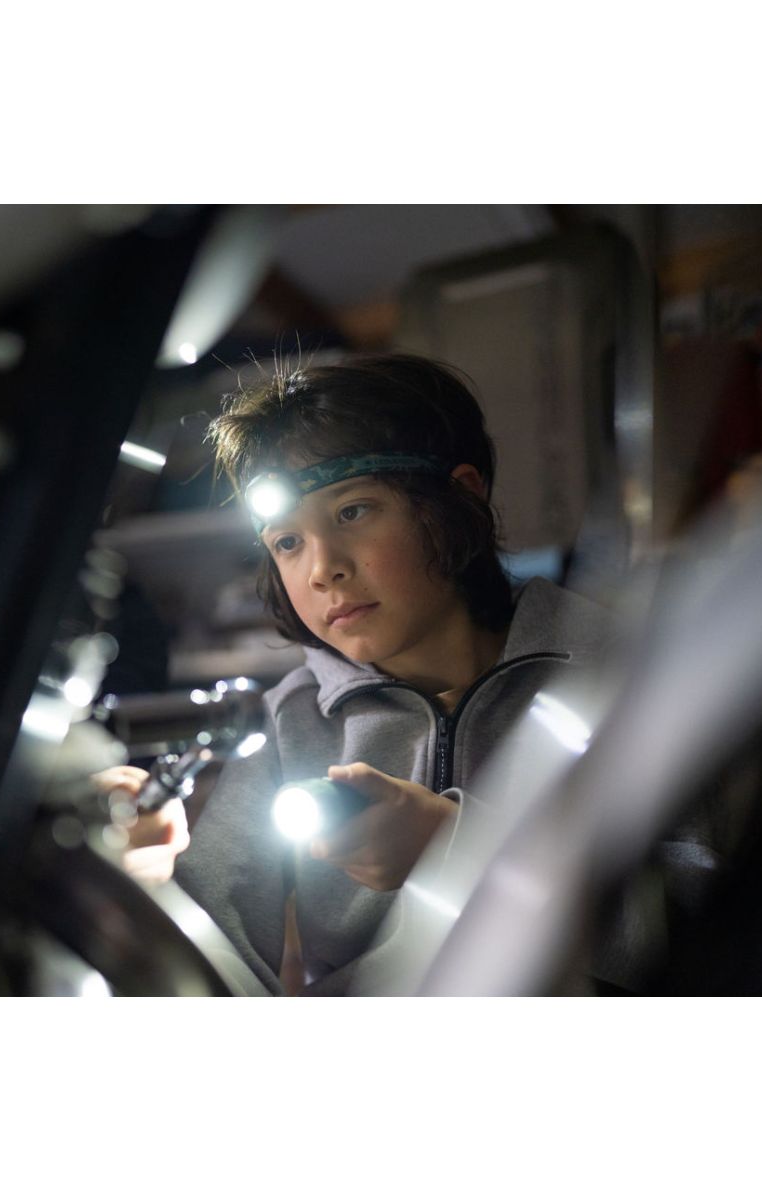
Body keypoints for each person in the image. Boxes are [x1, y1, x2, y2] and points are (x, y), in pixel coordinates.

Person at [97, 352, 615, 995]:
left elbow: (699, 918)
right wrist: (133, 882)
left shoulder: (620, 676)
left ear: (461, 494)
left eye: (352, 511)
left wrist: (454, 849)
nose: (323, 569)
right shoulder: (288, 724)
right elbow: (210, 961)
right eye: (287, 542)